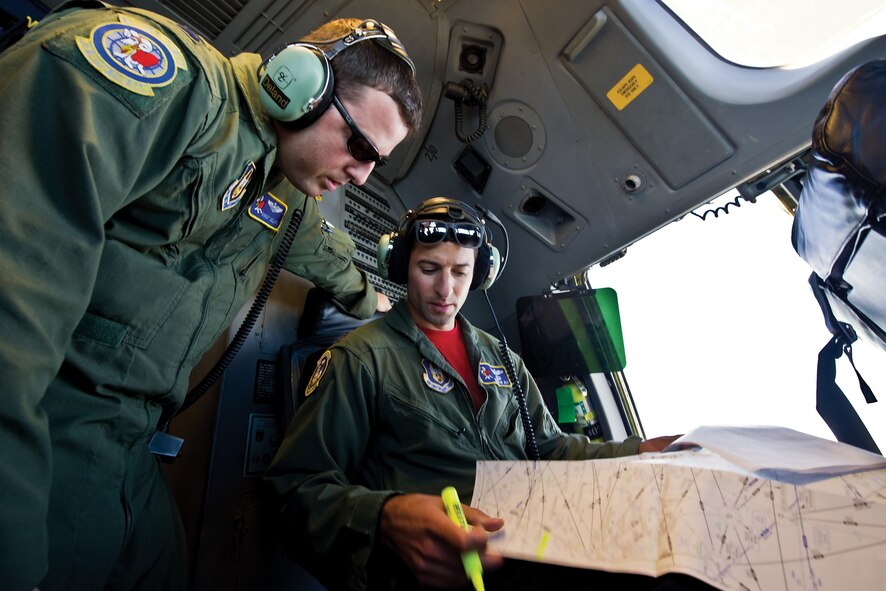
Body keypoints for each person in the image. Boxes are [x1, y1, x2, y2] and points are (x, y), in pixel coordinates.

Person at [0, 2, 421, 590]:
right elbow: (15, 294)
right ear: (299, 83)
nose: (362, 175)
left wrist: (374, 305)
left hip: (133, 444)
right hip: (57, 408)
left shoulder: (280, 187)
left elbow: (325, 255)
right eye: (361, 146)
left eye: (378, 162)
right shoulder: (171, 90)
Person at [265, 197, 700, 590]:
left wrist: (639, 451)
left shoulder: (503, 359)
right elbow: (293, 489)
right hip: (441, 570)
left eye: (460, 272)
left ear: (480, 275)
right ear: (399, 266)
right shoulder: (360, 359)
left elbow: (551, 450)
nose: (445, 289)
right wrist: (386, 517)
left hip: (535, 544)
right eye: (429, 269)